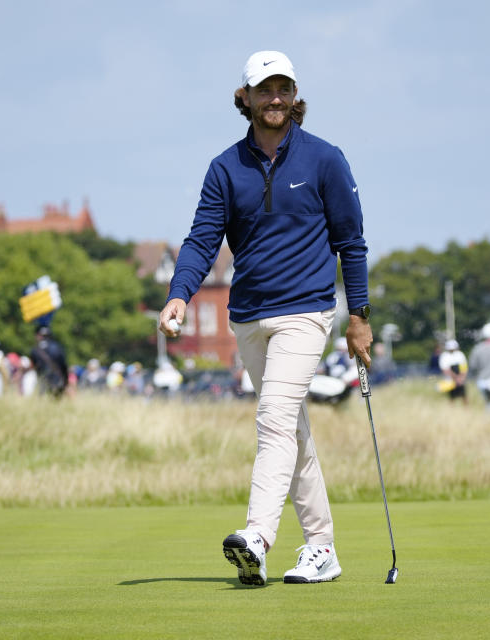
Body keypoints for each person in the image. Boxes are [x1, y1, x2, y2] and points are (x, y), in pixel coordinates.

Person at [159, 50, 372, 587]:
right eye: (264, 89)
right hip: (249, 316)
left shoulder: (325, 159)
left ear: (294, 97)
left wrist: (359, 316)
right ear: (246, 97)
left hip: (308, 310)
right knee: (292, 432)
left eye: (284, 89)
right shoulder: (225, 167)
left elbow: (352, 242)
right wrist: (180, 294)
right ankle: (321, 548)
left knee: (274, 418)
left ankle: (257, 536)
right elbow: (202, 239)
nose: (275, 98)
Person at [30, 325, 68, 397]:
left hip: (43, 381)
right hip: (57, 380)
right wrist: (66, 381)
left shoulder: (35, 350)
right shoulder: (58, 347)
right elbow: (63, 366)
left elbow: (35, 367)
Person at [437, 339, 468, 403]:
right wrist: (456, 378)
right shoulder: (444, 356)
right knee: (451, 397)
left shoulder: (460, 355)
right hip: (449, 380)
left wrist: (461, 378)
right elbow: (445, 369)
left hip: (460, 380)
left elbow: (464, 368)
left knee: (464, 396)